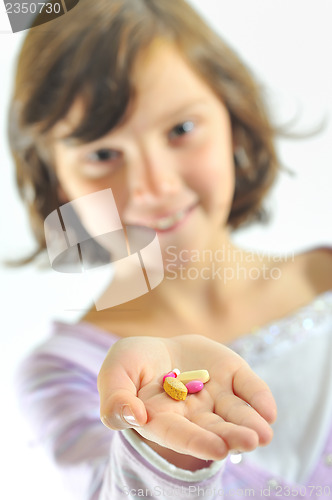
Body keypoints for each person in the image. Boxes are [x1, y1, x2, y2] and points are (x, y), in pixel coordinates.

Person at [8, 0, 332, 498]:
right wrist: (162, 450)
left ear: (234, 117)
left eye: (180, 130)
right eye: (102, 154)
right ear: (55, 180)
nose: (151, 187)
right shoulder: (63, 374)